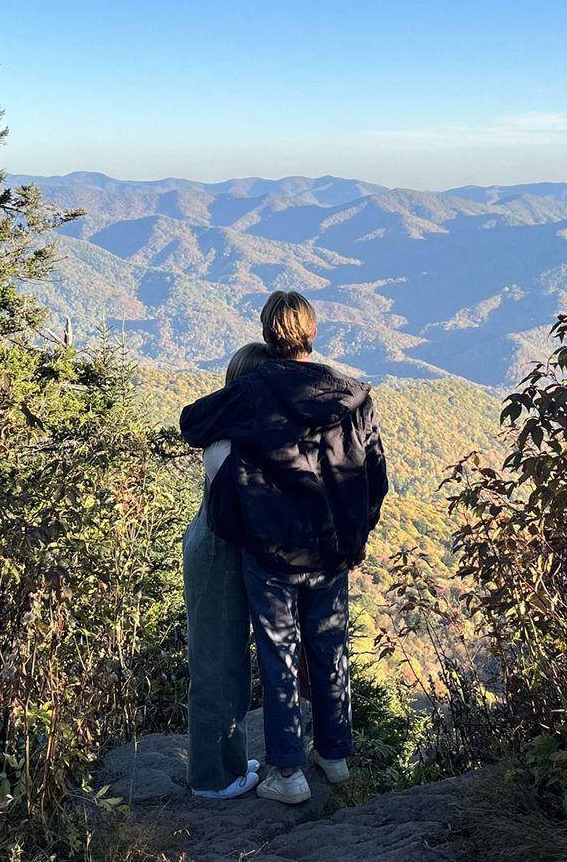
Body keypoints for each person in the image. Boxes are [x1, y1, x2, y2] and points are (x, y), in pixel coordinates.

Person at [180, 291, 388, 805]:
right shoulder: (354, 394)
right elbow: (375, 475)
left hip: (272, 551)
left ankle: (288, 774)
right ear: (312, 332)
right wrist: (356, 536)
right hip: (332, 550)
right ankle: (335, 757)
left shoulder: (253, 390)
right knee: (329, 645)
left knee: (279, 654)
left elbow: (191, 423)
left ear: (269, 333)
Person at [183, 342, 271, 799]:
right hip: (217, 554)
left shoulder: (231, 431)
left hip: (218, 549)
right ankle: (214, 778)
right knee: (216, 662)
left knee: (231, 657)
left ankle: (231, 759)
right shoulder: (226, 443)